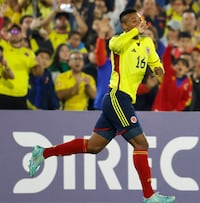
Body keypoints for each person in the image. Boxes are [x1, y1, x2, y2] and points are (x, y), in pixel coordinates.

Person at [28, 8, 175, 203]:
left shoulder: (147, 43)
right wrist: (134, 31)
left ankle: (43, 152)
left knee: (93, 146)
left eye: (139, 20)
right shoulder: (117, 40)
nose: (138, 23)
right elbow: (117, 43)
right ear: (124, 25)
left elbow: (157, 66)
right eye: (133, 21)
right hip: (117, 96)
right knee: (141, 144)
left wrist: (158, 70)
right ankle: (149, 195)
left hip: (123, 100)